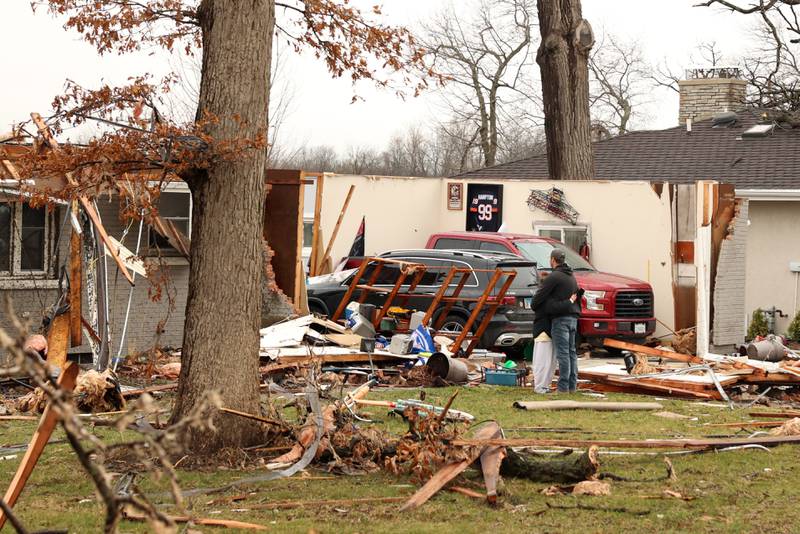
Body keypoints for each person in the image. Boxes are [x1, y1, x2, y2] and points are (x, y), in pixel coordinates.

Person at [532, 249, 581, 393]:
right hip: (573, 319)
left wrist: (551, 304)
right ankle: (572, 386)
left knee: (563, 355)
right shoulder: (571, 277)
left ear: (553, 260)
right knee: (571, 353)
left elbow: (536, 303)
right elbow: (575, 299)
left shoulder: (554, 277)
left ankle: (563, 388)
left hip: (560, 321)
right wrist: (569, 302)